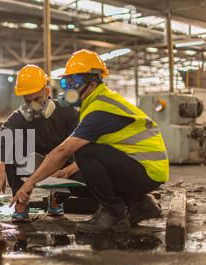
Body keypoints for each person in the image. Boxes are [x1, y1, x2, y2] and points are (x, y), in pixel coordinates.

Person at [11, 49, 169, 233]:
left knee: (85, 152)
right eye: (66, 82)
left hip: (147, 170)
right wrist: (67, 171)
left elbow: (64, 151)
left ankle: (113, 215)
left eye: (73, 82)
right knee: (78, 180)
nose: (68, 88)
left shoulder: (100, 108)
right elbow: (107, 152)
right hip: (140, 168)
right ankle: (140, 205)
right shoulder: (94, 103)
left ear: (93, 83)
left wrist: (29, 183)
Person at [0, 64, 80, 223]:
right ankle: (21, 203)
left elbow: (80, 143)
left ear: (47, 92)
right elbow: (3, 137)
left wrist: (68, 166)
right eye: (27, 101)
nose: (33, 106)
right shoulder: (19, 117)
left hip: (62, 165)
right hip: (34, 165)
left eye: (37, 99)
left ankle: (56, 199)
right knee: (11, 150)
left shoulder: (68, 112)